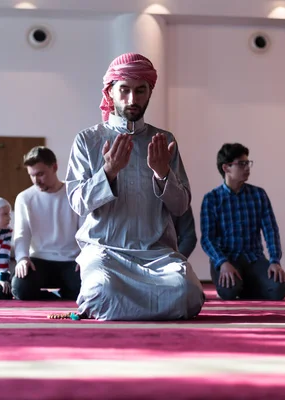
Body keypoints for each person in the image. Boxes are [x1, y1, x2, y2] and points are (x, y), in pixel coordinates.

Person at [65, 52, 205, 321]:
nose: (132, 100)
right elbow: (78, 203)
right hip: (106, 252)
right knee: (101, 292)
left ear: (150, 91)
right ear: (110, 92)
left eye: (140, 91)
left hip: (157, 254)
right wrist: (108, 171)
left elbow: (180, 206)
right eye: (124, 90)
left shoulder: (164, 140)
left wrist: (163, 174)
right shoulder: (87, 140)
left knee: (187, 293)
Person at [200, 143, 285, 301]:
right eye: (242, 164)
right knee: (229, 292)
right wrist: (222, 262)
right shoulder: (211, 199)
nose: (247, 168)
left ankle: (246, 285)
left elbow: (271, 231)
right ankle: (245, 286)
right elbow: (207, 239)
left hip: (253, 258)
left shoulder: (258, 195)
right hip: (227, 259)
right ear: (226, 168)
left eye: (248, 163)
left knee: (279, 289)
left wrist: (275, 261)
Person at [11, 146, 82, 301]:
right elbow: (21, 234)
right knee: (19, 289)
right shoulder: (24, 198)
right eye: (32, 175)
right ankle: (58, 296)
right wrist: (22, 258)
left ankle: (64, 293)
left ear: (54, 167)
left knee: (92, 289)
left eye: (41, 174)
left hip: (72, 261)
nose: (36, 180)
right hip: (39, 261)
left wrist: (86, 258)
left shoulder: (74, 193)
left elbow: (86, 231)